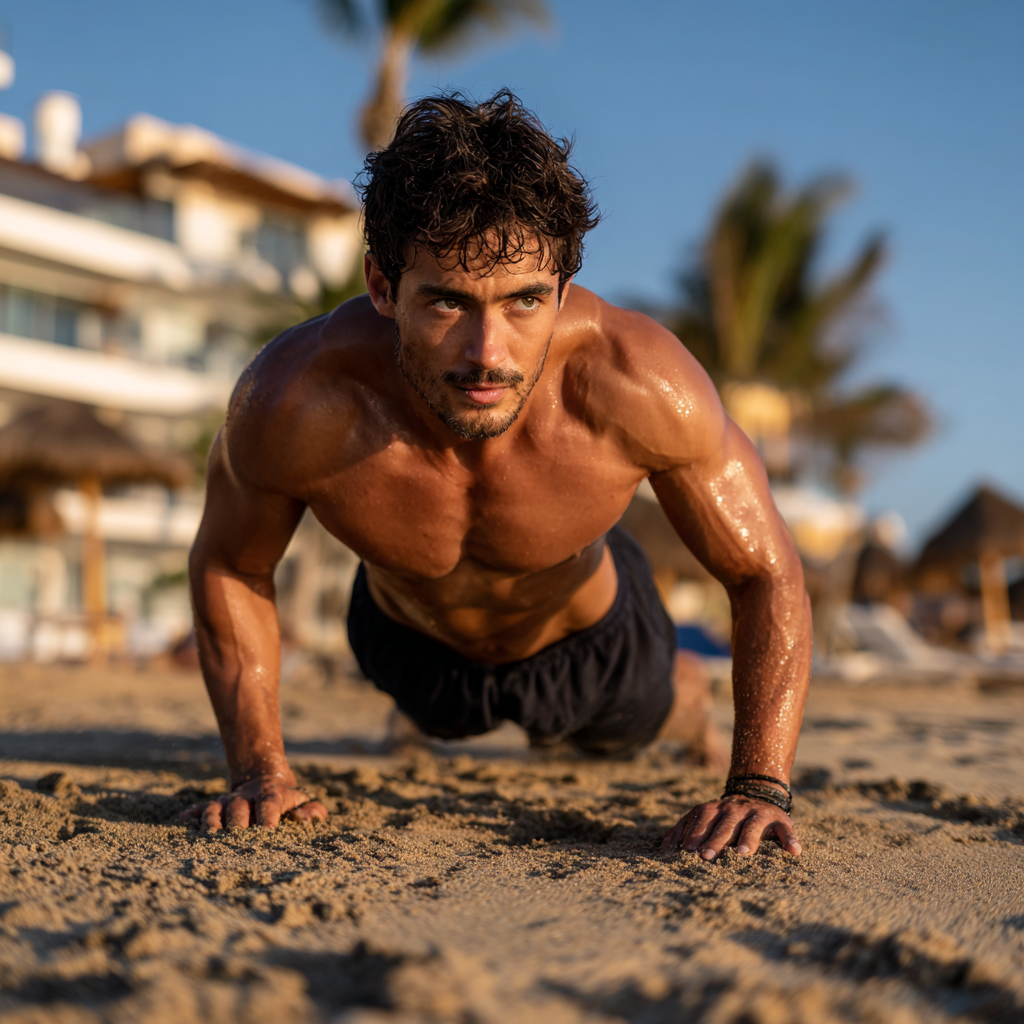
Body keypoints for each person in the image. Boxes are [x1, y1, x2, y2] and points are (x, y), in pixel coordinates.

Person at [183, 91, 811, 861]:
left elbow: (765, 571)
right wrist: (259, 770)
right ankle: (421, 715)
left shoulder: (641, 385)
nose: (489, 353)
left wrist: (758, 784)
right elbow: (229, 563)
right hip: (406, 647)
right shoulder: (294, 398)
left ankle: (687, 700)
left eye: (525, 301)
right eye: (448, 302)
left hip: (590, 646)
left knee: (633, 727)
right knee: (433, 713)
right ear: (383, 287)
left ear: (564, 288)